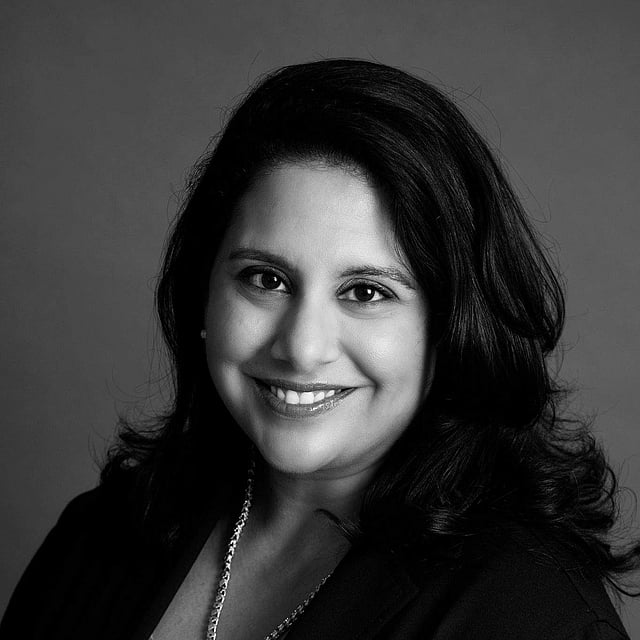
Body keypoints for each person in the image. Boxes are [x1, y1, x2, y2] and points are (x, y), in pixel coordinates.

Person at [1, 59, 638, 640]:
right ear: (203, 292)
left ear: (453, 326)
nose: (302, 348)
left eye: (366, 292)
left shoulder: (533, 617)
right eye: (266, 279)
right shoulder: (104, 533)